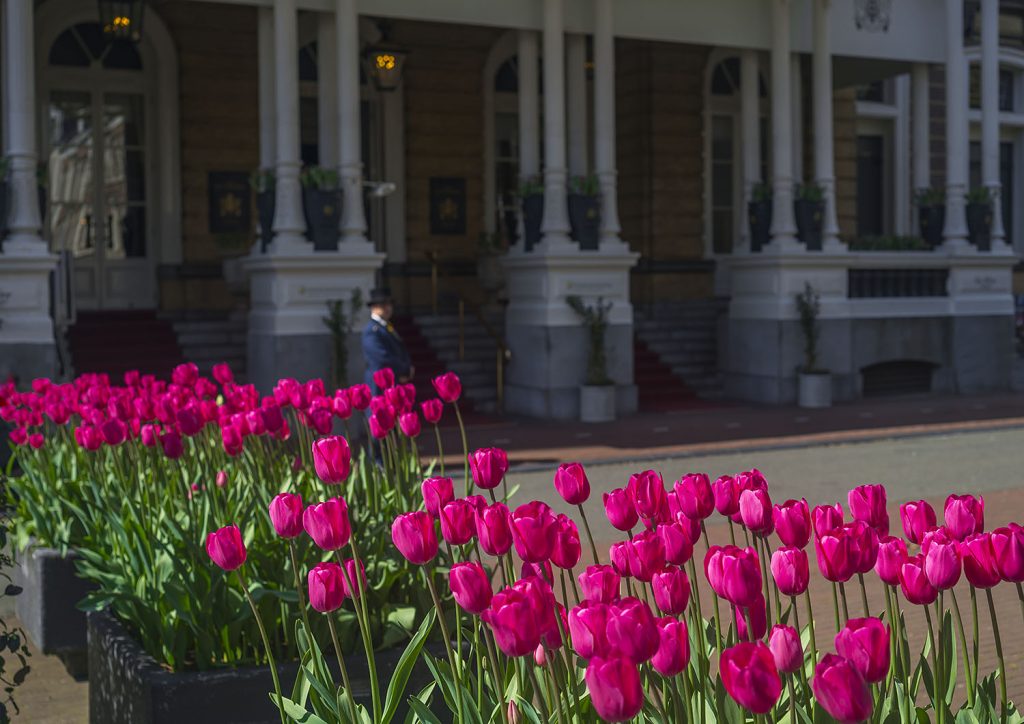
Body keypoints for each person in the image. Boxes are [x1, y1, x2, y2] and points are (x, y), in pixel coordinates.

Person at [361, 288, 413, 392]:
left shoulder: (385, 326)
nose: (388, 308)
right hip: (379, 382)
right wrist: (403, 368)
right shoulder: (372, 330)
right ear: (374, 307)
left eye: (389, 304)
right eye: (383, 305)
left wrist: (407, 366)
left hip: (391, 380)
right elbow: (382, 357)